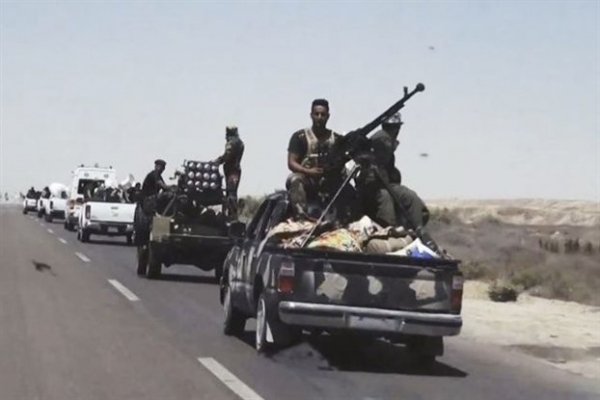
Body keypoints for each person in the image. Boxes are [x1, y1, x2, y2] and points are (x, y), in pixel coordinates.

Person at [364, 112, 431, 236]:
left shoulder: (386, 140)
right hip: (375, 186)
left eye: (396, 127)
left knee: (409, 196)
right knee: (390, 199)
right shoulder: (382, 139)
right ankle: (393, 231)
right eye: (394, 127)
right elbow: (376, 171)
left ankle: (415, 230)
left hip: (384, 183)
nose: (396, 130)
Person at [286, 98, 351, 219]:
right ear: (311, 115)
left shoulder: (336, 139)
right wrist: (308, 171)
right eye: (316, 114)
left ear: (328, 116)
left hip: (329, 181)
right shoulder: (300, 137)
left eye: (323, 114)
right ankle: (301, 217)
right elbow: (291, 163)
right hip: (307, 179)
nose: (319, 117)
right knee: (295, 179)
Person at [214, 126, 245, 219]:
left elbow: (228, 154)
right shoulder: (240, 142)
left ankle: (231, 215)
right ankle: (232, 214)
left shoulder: (231, 142)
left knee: (230, 193)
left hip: (231, 171)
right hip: (236, 170)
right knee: (233, 192)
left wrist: (218, 161)